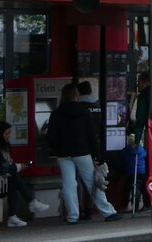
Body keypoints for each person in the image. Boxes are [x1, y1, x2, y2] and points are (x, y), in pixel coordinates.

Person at [46, 83, 120, 225]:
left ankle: (73, 216)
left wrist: (57, 149)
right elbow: (91, 135)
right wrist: (96, 154)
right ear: (76, 95)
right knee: (92, 182)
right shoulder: (84, 111)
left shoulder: (56, 113)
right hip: (82, 151)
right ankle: (108, 212)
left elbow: (51, 137)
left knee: (69, 184)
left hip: (63, 154)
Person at [0, 121, 50, 227]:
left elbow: (5, 166)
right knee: (13, 176)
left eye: (10, 133)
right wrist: (17, 167)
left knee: (12, 180)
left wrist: (15, 167)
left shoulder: (3, 145)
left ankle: (15, 214)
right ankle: (30, 203)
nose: (9, 136)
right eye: (7, 134)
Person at [122, 133, 148, 212]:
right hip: (141, 172)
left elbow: (123, 156)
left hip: (131, 173)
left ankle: (125, 205)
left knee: (127, 188)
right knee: (144, 188)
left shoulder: (126, 150)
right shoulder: (142, 150)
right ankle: (146, 205)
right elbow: (145, 155)